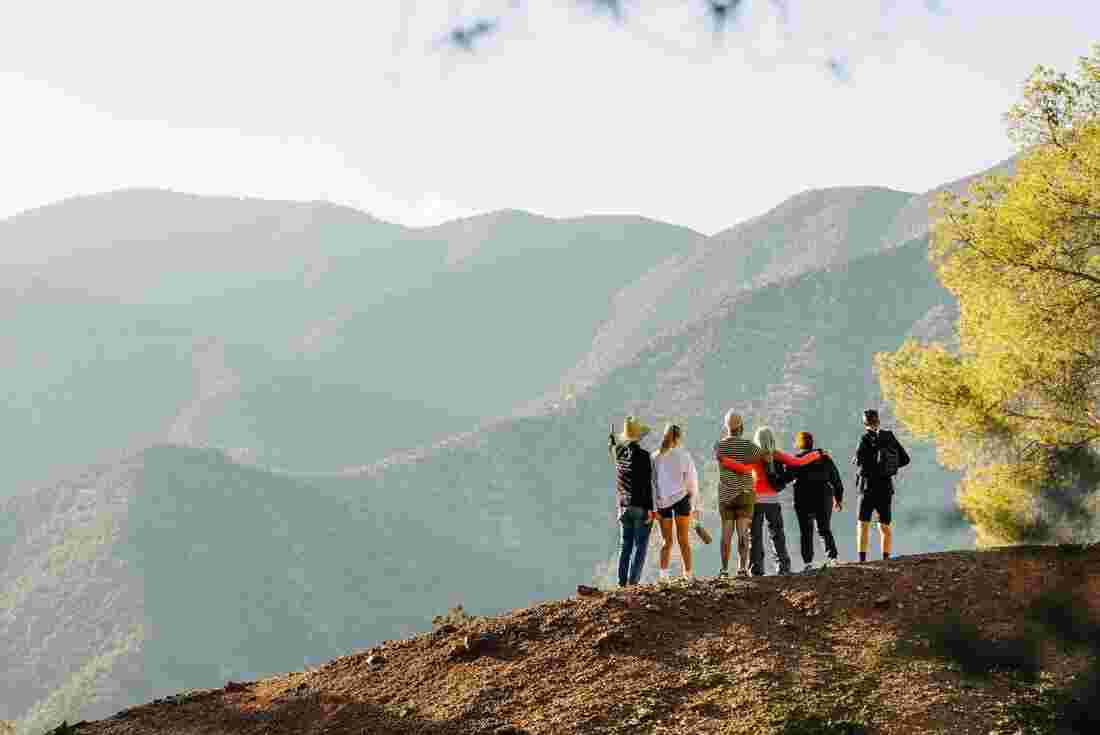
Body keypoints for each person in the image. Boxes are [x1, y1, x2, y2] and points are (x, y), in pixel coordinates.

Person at [718, 426, 825, 576]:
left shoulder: (754, 456)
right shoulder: (776, 454)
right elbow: (798, 462)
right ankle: (783, 567)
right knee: (777, 535)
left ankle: (756, 569)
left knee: (754, 536)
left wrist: (725, 461)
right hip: (773, 501)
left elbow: (742, 469)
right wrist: (817, 454)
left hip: (755, 501)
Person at [853, 409, 910, 562]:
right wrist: (889, 468)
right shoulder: (889, 436)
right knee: (884, 525)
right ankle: (886, 558)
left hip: (867, 487)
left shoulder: (864, 439)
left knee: (863, 524)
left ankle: (862, 560)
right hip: (885, 487)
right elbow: (905, 459)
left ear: (864, 423)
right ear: (878, 421)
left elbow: (859, 462)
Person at [713, 412, 764, 578]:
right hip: (745, 493)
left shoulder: (719, 446)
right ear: (741, 426)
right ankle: (742, 569)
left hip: (726, 495)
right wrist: (746, 463)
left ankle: (724, 569)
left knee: (726, 533)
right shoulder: (748, 445)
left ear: (726, 427)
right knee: (743, 533)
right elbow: (762, 455)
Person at [785, 431, 844, 572]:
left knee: (806, 531)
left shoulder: (795, 460)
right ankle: (833, 559)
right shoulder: (824, 458)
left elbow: (786, 478)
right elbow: (836, 479)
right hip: (823, 497)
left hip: (803, 498)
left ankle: (808, 563)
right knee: (824, 529)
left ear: (799, 444)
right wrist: (838, 498)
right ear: (812, 443)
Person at [609, 416, 657, 586]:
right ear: (639, 437)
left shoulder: (618, 453)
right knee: (640, 546)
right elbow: (646, 485)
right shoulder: (644, 456)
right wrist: (652, 510)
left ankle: (622, 582)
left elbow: (613, 448)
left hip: (623, 506)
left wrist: (613, 443)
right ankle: (633, 582)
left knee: (625, 546)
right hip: (640, 506)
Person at [652, 424, 699, 581]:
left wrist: (654, 507)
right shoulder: (683, 455)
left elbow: (652, 483)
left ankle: (663, 576)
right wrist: (693, 503)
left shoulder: (655, 457)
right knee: (683, 539)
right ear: (678, 438)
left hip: (662, 503)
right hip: (681, 499)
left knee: (667, 541)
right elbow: (691, 480)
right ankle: (688, 574)